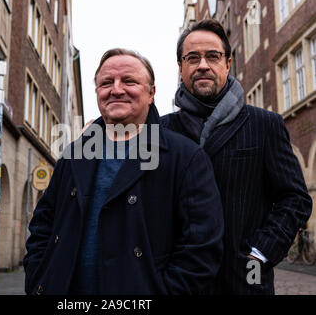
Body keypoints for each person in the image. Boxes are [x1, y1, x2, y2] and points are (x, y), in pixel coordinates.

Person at [23, 48, 224, 295]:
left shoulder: (185, 157)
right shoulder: (74, 156)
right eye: (106, 83)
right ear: (97, 92)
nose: (116, 89)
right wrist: (39, 279)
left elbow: (201, 249)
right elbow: (43, 226)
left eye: (129, 81)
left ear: (151, 93)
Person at [160, 19, 313, 294]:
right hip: (178, 285)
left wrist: (259, 254)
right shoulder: (160, 131)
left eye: (213, 56)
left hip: (244, 283)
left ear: (227, 64)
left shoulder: (264, 125)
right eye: (192, 58)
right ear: (181, 68)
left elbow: (295, 198)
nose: (203, 65)